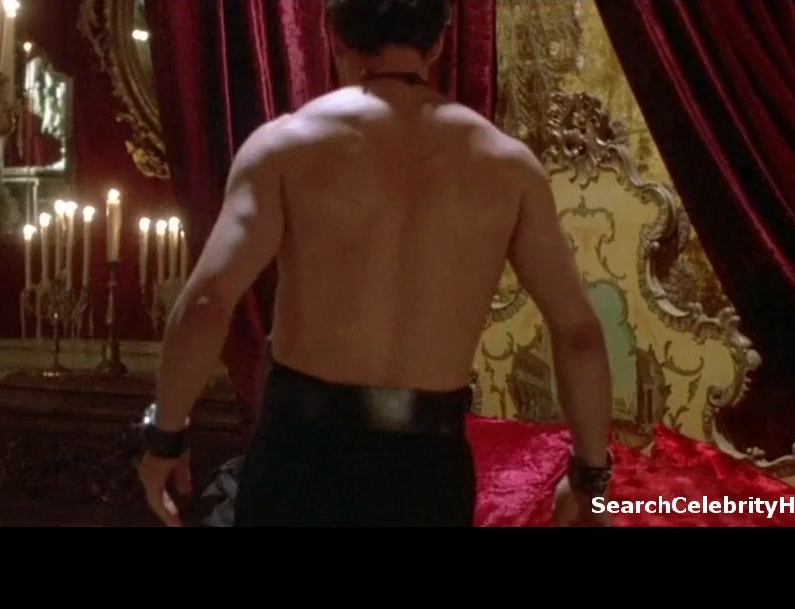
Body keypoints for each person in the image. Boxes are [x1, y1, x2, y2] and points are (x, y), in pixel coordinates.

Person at [138, 0, 613, 527]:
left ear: (333, 34)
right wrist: (589, 478)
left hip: (302, 458)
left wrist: (165, 437)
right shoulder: (508, 166)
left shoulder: (284, 148)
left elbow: (207, 302)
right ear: (437, 44)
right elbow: (578, 332)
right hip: (426, 468)